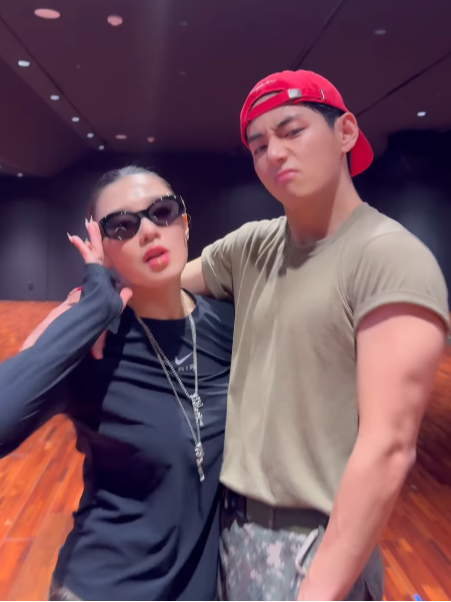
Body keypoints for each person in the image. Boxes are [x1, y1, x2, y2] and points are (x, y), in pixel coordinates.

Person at [25, 71, 449, 601]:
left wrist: (320, 590)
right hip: (229, 531)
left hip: (315, 541)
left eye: (292, 131)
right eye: (259, 144)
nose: (275, 153)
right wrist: (80, 309)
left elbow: (388, 448)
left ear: (345, 132)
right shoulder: (252, 246)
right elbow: (154, 280)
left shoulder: (390, 257)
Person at [0, 166, 234, 601]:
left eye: (162, 212)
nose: (148, 231)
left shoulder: (228, 325)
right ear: (101, 251)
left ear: (184, 224)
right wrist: (91, 311)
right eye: (123, 226)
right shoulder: (94, 346)